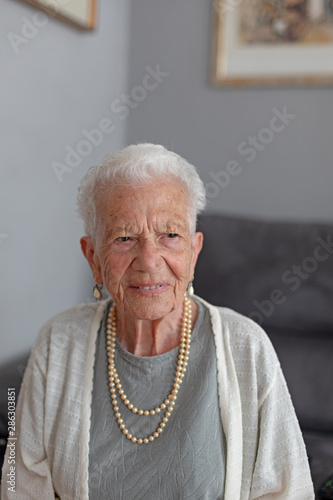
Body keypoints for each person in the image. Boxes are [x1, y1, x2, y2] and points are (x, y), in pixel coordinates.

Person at [1, 144, 314, 499]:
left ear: (194, 252)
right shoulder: (58, 342)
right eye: (124, 237)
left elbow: (288, 491)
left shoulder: (246, 346)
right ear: (93, 257)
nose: (149, 260)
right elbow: (19, 484)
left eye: (170, 235)